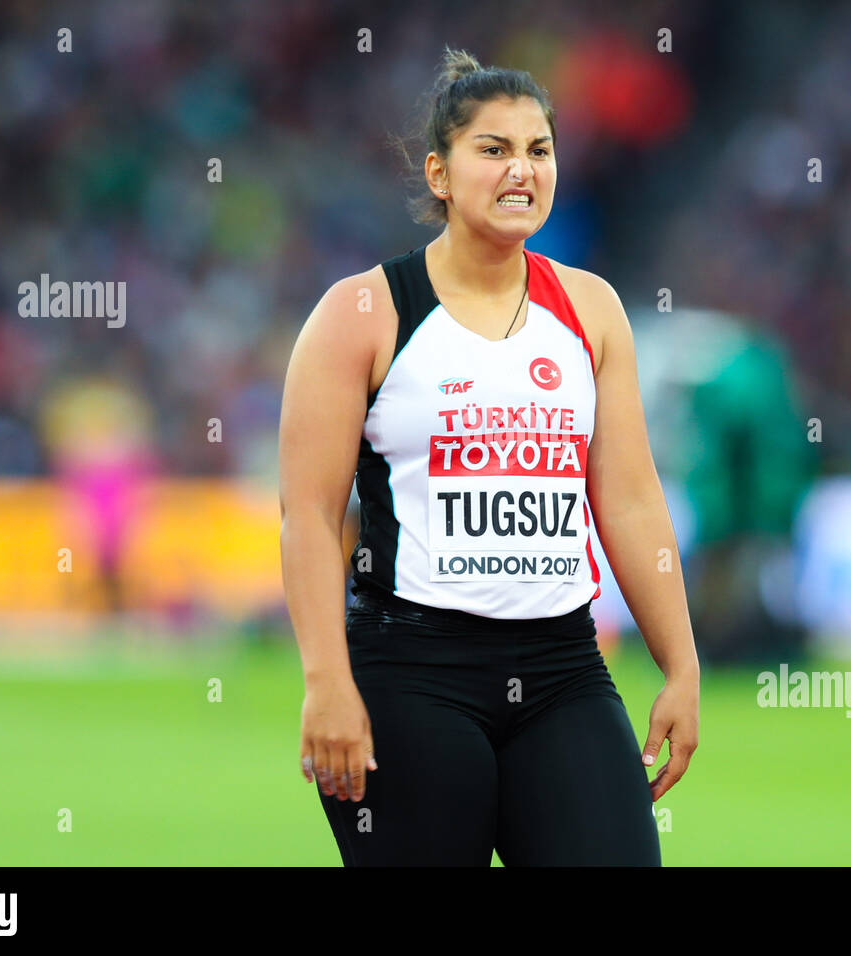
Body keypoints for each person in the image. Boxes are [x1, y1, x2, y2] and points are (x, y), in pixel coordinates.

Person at [278, 47, 699, 866]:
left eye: (539, 150)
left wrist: (680, 665)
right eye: (494, 150)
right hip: (410, 671)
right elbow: (308, 514)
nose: (523, 170)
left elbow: (633, 502)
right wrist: (326, 681)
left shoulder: (591, 308)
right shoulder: (364, 312)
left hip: (563, 668)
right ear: (439, 173)